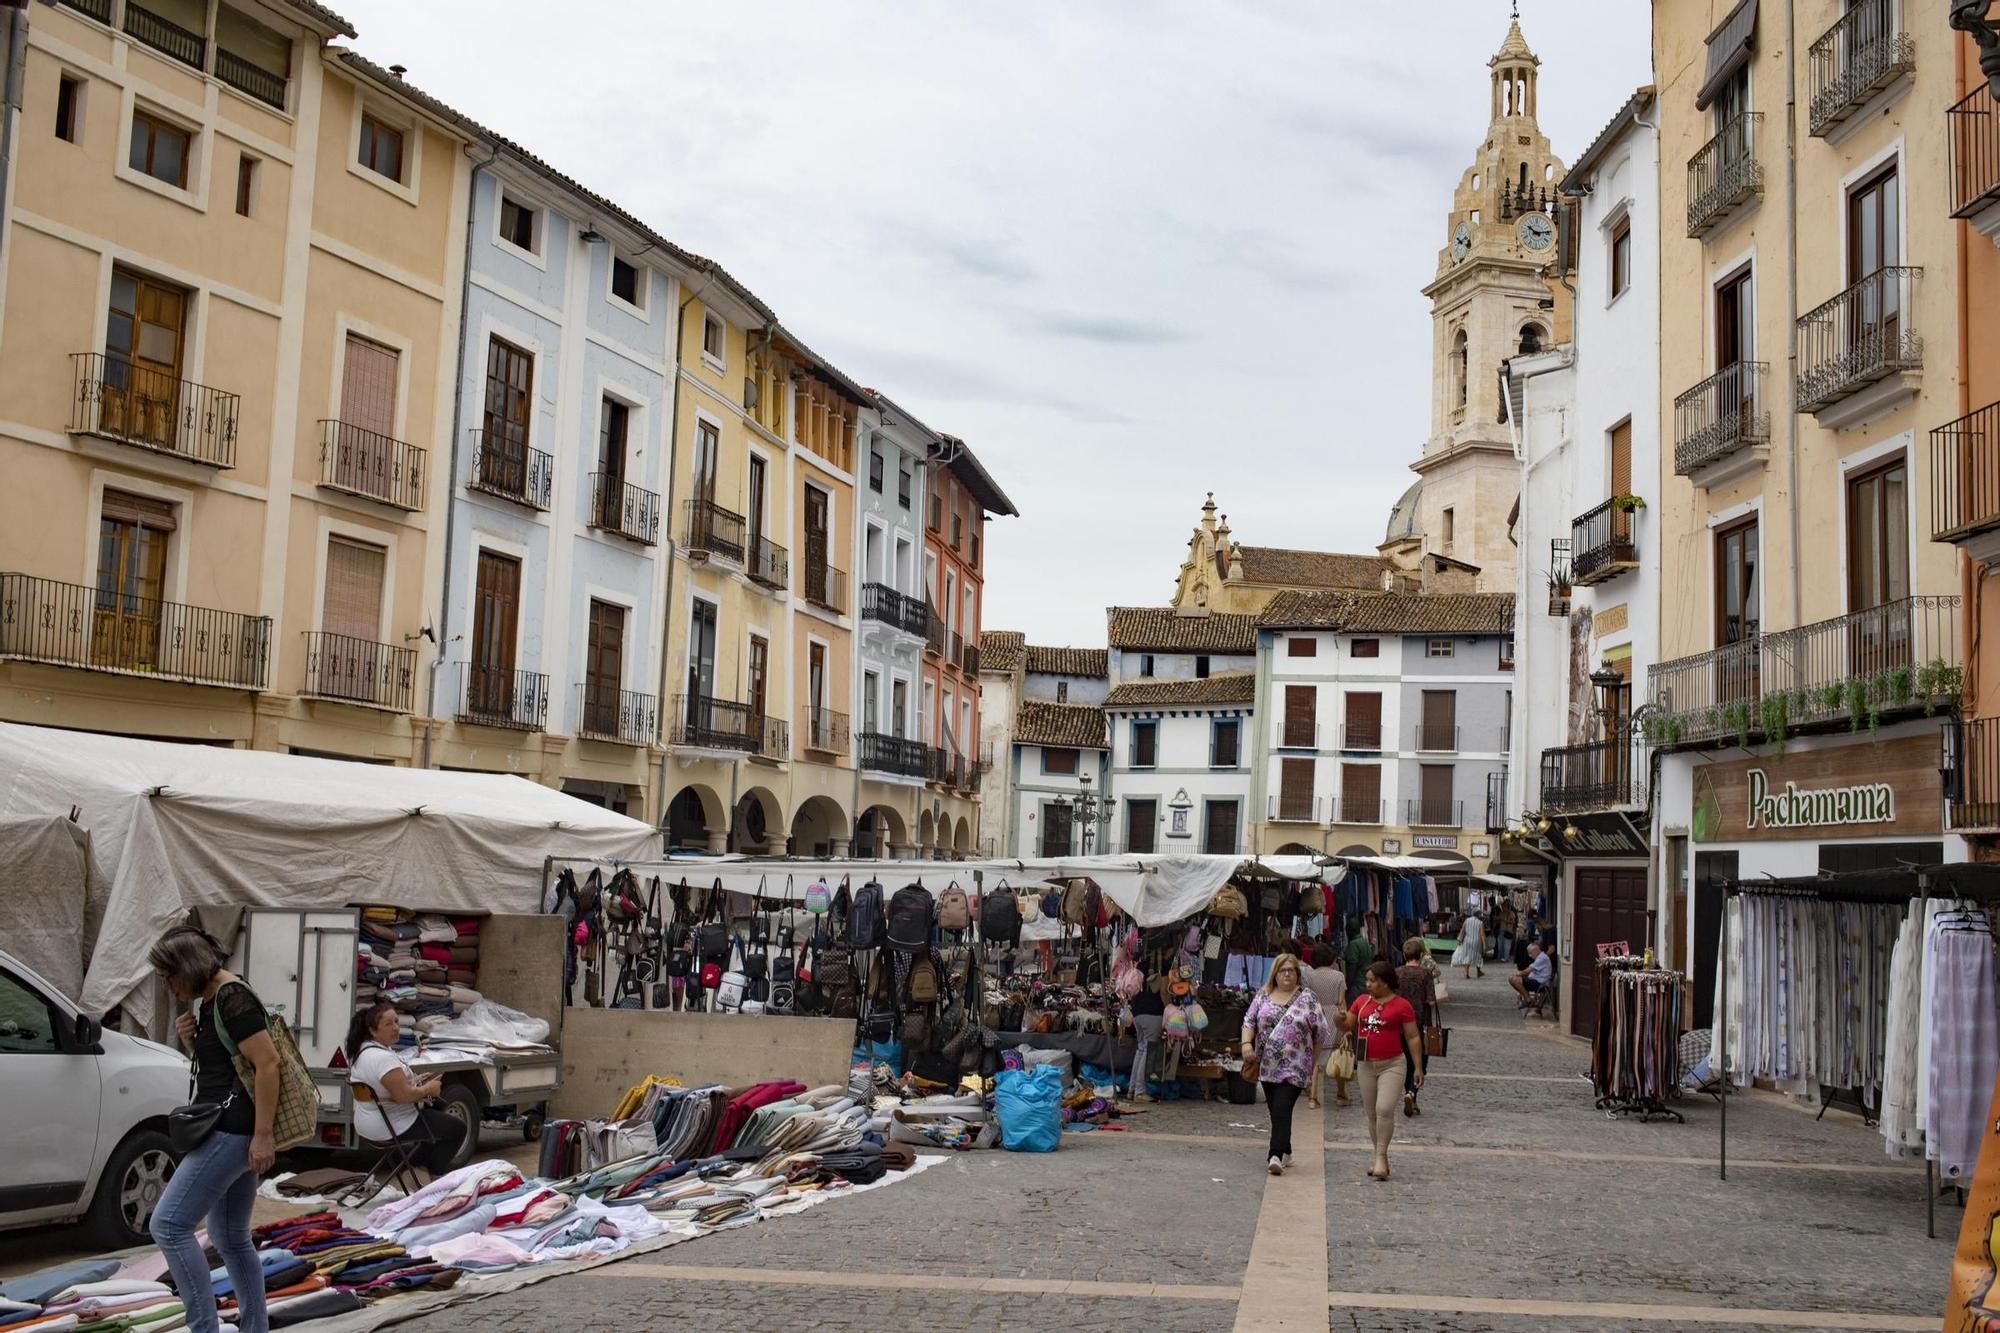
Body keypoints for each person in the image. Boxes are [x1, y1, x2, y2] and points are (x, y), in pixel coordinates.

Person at [147, 927, 279, 1333]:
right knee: (229, 1235)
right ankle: (254, 1328)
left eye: (169, 976)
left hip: (232, 1132)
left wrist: (263, 1135)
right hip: (232, 1129)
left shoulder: (231, 996)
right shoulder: (214, 999)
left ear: (188, 967)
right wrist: (193, 1043)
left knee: (168, 1225)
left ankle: (204, 1328)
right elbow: (226, 1069)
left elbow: (268, 1063)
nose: (168, 986)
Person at [344, 1001, 468, 1173]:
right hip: (389, 1124)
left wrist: (415, 1082)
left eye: (396, 1021)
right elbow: (403, 1096)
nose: (395, 1028)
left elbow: (386, 1087)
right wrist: (427, 1089)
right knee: (458, 1129)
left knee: (439, 1109)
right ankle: (430, 1174)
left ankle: (417, 1169)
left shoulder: (361, 1052)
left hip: (369, 1121)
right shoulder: (382, 1058)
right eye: (388, 1024)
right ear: (372, 1030)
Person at [1240, 952, 1333, 1176]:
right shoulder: (1263, 995)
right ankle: (1287, 1149)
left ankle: (1275, 1155)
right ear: (1275, 973)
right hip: (1267, 1065)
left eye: (1292, 970)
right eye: (1283, 970)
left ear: (1298, 974)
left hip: (1295, 1066)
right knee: (1276, 1110)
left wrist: (1312, 1065)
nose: (1288, 974)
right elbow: (1249, 1020)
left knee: (1282, 1107)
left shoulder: (1307, 998)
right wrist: (1246, 1044)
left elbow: (1321, 1033)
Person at [1336, 960, 1425, 1181]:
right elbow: (1348, 1024)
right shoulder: (1361, 1002)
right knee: (1372, 1113)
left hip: (1393, 1063)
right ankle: (1379, 1156)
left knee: (1384, 1108)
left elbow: (1413, 1037)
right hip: (1366, 1063)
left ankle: (1381, 1156)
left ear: (1385, 982)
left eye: (1373, 981)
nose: (1368, 985)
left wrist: (1418, 1067)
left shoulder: (1402, 1005)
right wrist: (1339, 1019)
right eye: (1367, 980)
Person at [1301, 944, 1349, 1109]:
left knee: (1316, 1059)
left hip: (1315, 1015)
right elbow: (1341, 1001)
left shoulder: (1309, 976)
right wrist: (1346, 1021)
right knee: (1339, 1056)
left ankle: (1313, 1097)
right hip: (1334, 1015)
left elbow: (1305, 998)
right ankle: (1341, 1094)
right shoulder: (1339, 976)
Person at [1395, 937, 1437, 1117]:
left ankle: (1409, 1094)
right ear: (1420, 955)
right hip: (1419, 1023)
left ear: (1404, 954)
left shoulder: (1397, 972)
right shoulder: (1425, 974)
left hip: (1399, 1023)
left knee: (1404, 1060)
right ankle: (1412, 1093)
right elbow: (1431, 1000)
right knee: (1420, 1062)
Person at [1128, 967, 1168, 1102]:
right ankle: (1139, 1091)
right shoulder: (1164, 964)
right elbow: (1163, 992)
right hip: (1153, 1012)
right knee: (1147, 1050)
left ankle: (1132, 1089)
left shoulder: (1141, 963)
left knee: (1140, 1049)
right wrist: (1169, 1009)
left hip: (1137, 1012)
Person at [1511, 939, 1554, 1011]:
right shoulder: (1539, 957)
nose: (1530, 956)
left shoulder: (1542, 958)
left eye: (1530, 953)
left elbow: (1529, 970)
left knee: (1514, 979)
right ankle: (1527, 999)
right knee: (1512, 979)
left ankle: (1528, 1000)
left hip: (1539, 983)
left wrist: (1519, 974)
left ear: (1535, 950)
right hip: (1534, 980)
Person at [1343, 929, 1376, 1004]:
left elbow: (1352, 966)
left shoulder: (1353, 944)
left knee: (1353, 1008)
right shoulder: (1364, 942)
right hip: (1364, 981)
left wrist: (1348, 985)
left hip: (1356, 983)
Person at [1452, 911, 1486, 979]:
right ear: (1478, 915)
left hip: (1467, 941)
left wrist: (1459, 939)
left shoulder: (1467, 920)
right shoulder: (1480, 923)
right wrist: (1484, 944)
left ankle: (1466, 972)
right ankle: (1478, 972)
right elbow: (1482, 934)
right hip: (1476, 942)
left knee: (1467, 956)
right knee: (1478, 956)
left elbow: (1462, 931)